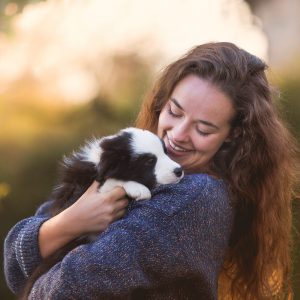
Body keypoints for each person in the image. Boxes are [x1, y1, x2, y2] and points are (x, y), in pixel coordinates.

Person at [4, 42, 298, 299]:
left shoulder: (196, 197)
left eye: (203, 128)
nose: (179, 134)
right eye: (174, 112)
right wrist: (70, 221)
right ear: (161, 102)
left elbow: (63, 290)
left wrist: (50, 240)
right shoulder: (141, 161)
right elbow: (14, 262)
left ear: (232, 134)